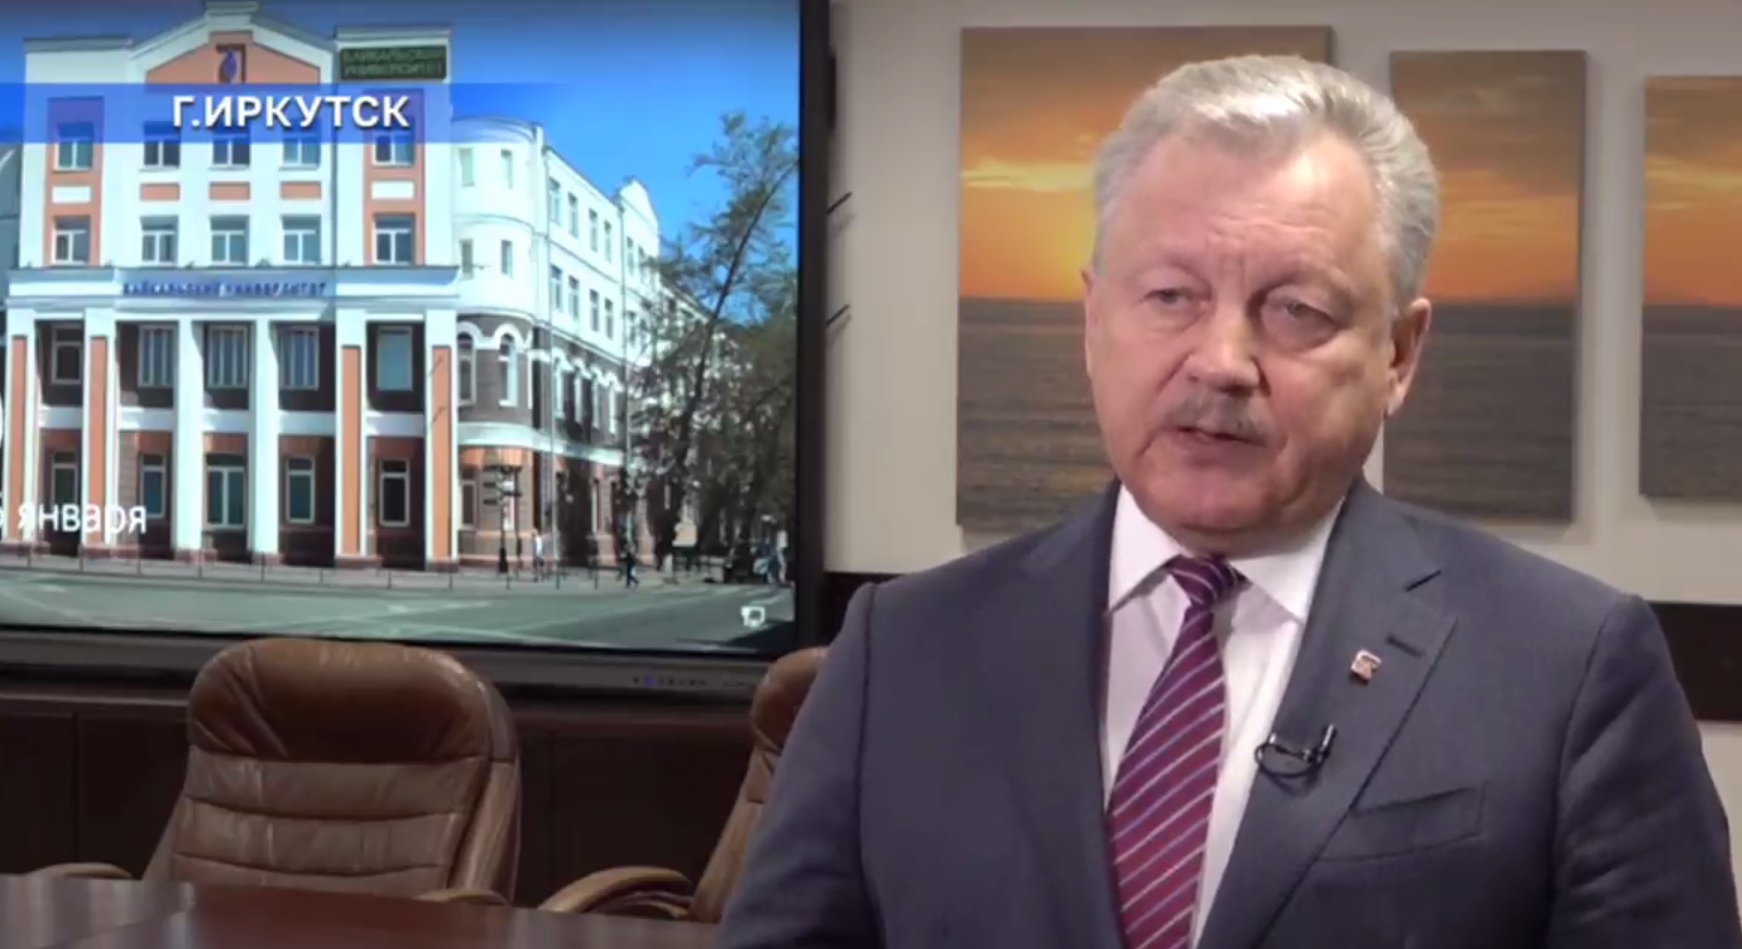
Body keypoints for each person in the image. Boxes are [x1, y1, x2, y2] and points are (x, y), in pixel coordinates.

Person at [717, 56, 1740, 949]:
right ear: (1092, 321)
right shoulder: (900, 651)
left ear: (1397, 353)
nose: (1221, 360)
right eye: (1170, 296)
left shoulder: (1571, 670)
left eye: (1296, 310)